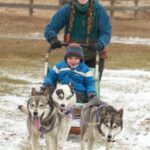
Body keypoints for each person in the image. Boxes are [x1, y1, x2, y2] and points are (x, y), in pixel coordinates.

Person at [44, 0, 112, 81]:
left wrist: (99, 44)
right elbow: (51, 27)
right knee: (69, 84)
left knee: (91, 84)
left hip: (93, 55)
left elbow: (106, 33)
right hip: (73, 56)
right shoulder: (67, 9)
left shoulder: (99, 10)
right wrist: (52, 38)